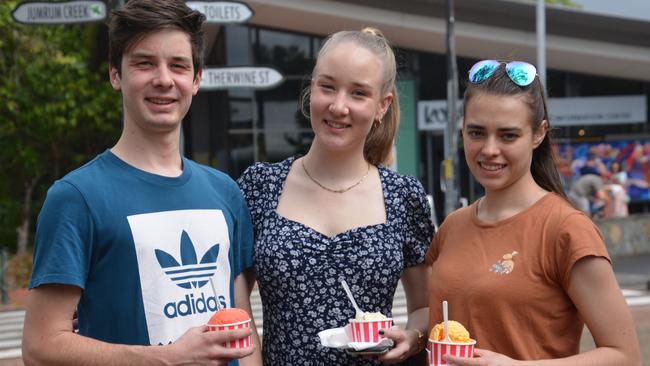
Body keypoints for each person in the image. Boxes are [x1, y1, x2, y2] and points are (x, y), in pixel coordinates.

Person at [22, 1, 261, 365]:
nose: (164, 79)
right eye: (144, 63)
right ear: (116, 75)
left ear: (196, 79)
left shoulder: (225, 192)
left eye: (178, 65)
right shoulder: (76, 197)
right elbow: (40, 348)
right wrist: (165, 359)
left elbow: (243, 331)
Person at [237, 28, 434, 365]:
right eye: (327, 87)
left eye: (358, 93)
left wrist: (412, 338)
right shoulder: (260, 186)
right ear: (311, 88)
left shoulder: (403, 196)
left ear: (382, 106)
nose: (338, 106)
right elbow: (239, 310)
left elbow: (425, 306)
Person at [426, 60, 641, 365]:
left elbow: (626, 356)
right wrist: (413, 334)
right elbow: (445, 315)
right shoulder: (453, 225)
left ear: (539, 134)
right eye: (476, 132)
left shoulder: (565, 229)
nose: (489, 149)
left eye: (508, 135)